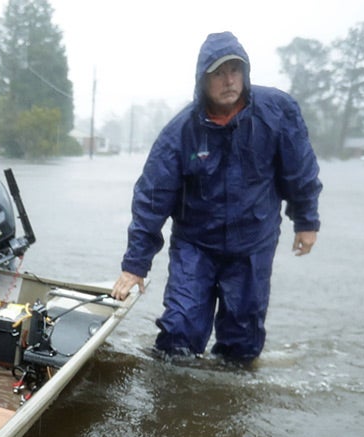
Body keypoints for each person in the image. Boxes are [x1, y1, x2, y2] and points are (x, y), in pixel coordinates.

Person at [111, 31, 322, 363]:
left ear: (245, 73)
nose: (229, 80)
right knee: (178, 335)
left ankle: (228, 397)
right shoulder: (180, 133)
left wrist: (306, 221)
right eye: (219, 73)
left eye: (235, 70)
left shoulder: (277, 112)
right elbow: (152, 199)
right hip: (196, 244)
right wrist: (135, 266)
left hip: (254, 242)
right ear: (202, 80)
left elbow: (300, 170)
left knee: (241, 344)